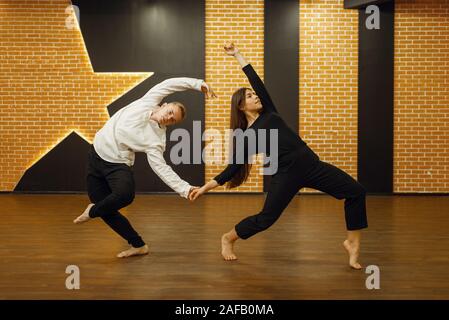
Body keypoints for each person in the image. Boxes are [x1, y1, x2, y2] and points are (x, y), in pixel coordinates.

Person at [190, 43, 368, 269]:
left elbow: (257, 81)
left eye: (254, 94)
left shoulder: (270, 112)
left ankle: (352, 242)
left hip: (312, 166)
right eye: (250, 96)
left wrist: (238, 54)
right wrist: (205, 187)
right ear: (241, 105)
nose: (255, 96)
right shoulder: (247, 136)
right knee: (266, 219)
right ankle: (228, 238)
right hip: (286, 175)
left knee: (356, 192)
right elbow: (232, 169)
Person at [74, 75, 216, 258]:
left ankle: (92, 211)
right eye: (171, 111)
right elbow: (169, 84)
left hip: (117, 163)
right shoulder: (149, 100)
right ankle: (138, 245)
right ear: (164, 105)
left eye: (173, 120)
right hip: (95, 155)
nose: (169, 117)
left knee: (124, 196)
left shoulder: (157, 141)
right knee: (106, 209)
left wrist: (185, 188)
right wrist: (199, 84)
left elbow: (161, 168)